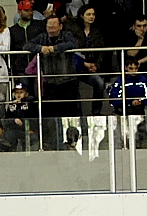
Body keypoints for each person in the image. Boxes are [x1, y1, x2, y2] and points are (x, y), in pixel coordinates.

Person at [23, 15, 79, 149]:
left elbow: (74, 44)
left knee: (70, 114)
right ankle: (54, 142)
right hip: (50, 83)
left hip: (67, 81)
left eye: (54, 25)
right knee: (51, 116)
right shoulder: (42, 38)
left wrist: (55, 48)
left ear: (60, 26)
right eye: (49, 26)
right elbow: (27, 45)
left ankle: (72, 141)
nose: (51, 28)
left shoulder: (67, 35)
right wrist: (40, 49)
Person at [110, 56, 147, 148]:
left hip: (139, 108)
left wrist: (140, 101)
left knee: (139, 111)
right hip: (124, 108)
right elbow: (114, 100)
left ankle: (142, 142)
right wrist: (130, 102)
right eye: (131, 68)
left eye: (136, 68)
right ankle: (125, 141)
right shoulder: (120, 81)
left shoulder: (143, 80)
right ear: (125, 68)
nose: (134, 71)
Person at [74, 3, 106, 115]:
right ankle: (78, 114)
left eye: (93, 14)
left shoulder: (97, 31)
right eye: (88, 14)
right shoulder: (74, 31)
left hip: (92, 67)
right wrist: (84, 63)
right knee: (73, 86)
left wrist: (96, 65)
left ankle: (96, 111)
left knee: (99, 83)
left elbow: (101, 52)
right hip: (76, 67)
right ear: (82, 15)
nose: (91, 16)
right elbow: (73, 51)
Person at [9, 0, 46, 91]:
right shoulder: (12, 30)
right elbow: (12, 51)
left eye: (31, 10)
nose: (30, 12)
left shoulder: (40, 25)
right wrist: (14, 72)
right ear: (19, 12)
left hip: (39, 66)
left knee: (40, 94)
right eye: (26, 10)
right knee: (25, 95)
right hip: (21, 68)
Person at [0, 81, 37, 150]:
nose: (18, 95)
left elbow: (34, 119)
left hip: (27, 130)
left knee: (33, 137)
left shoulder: (31, 104)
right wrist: (14, 120)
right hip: (14, 130)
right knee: (9, 135)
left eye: (21, 92)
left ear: (26, 94)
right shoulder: (12, 105)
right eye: (17, 92)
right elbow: (6, 121)